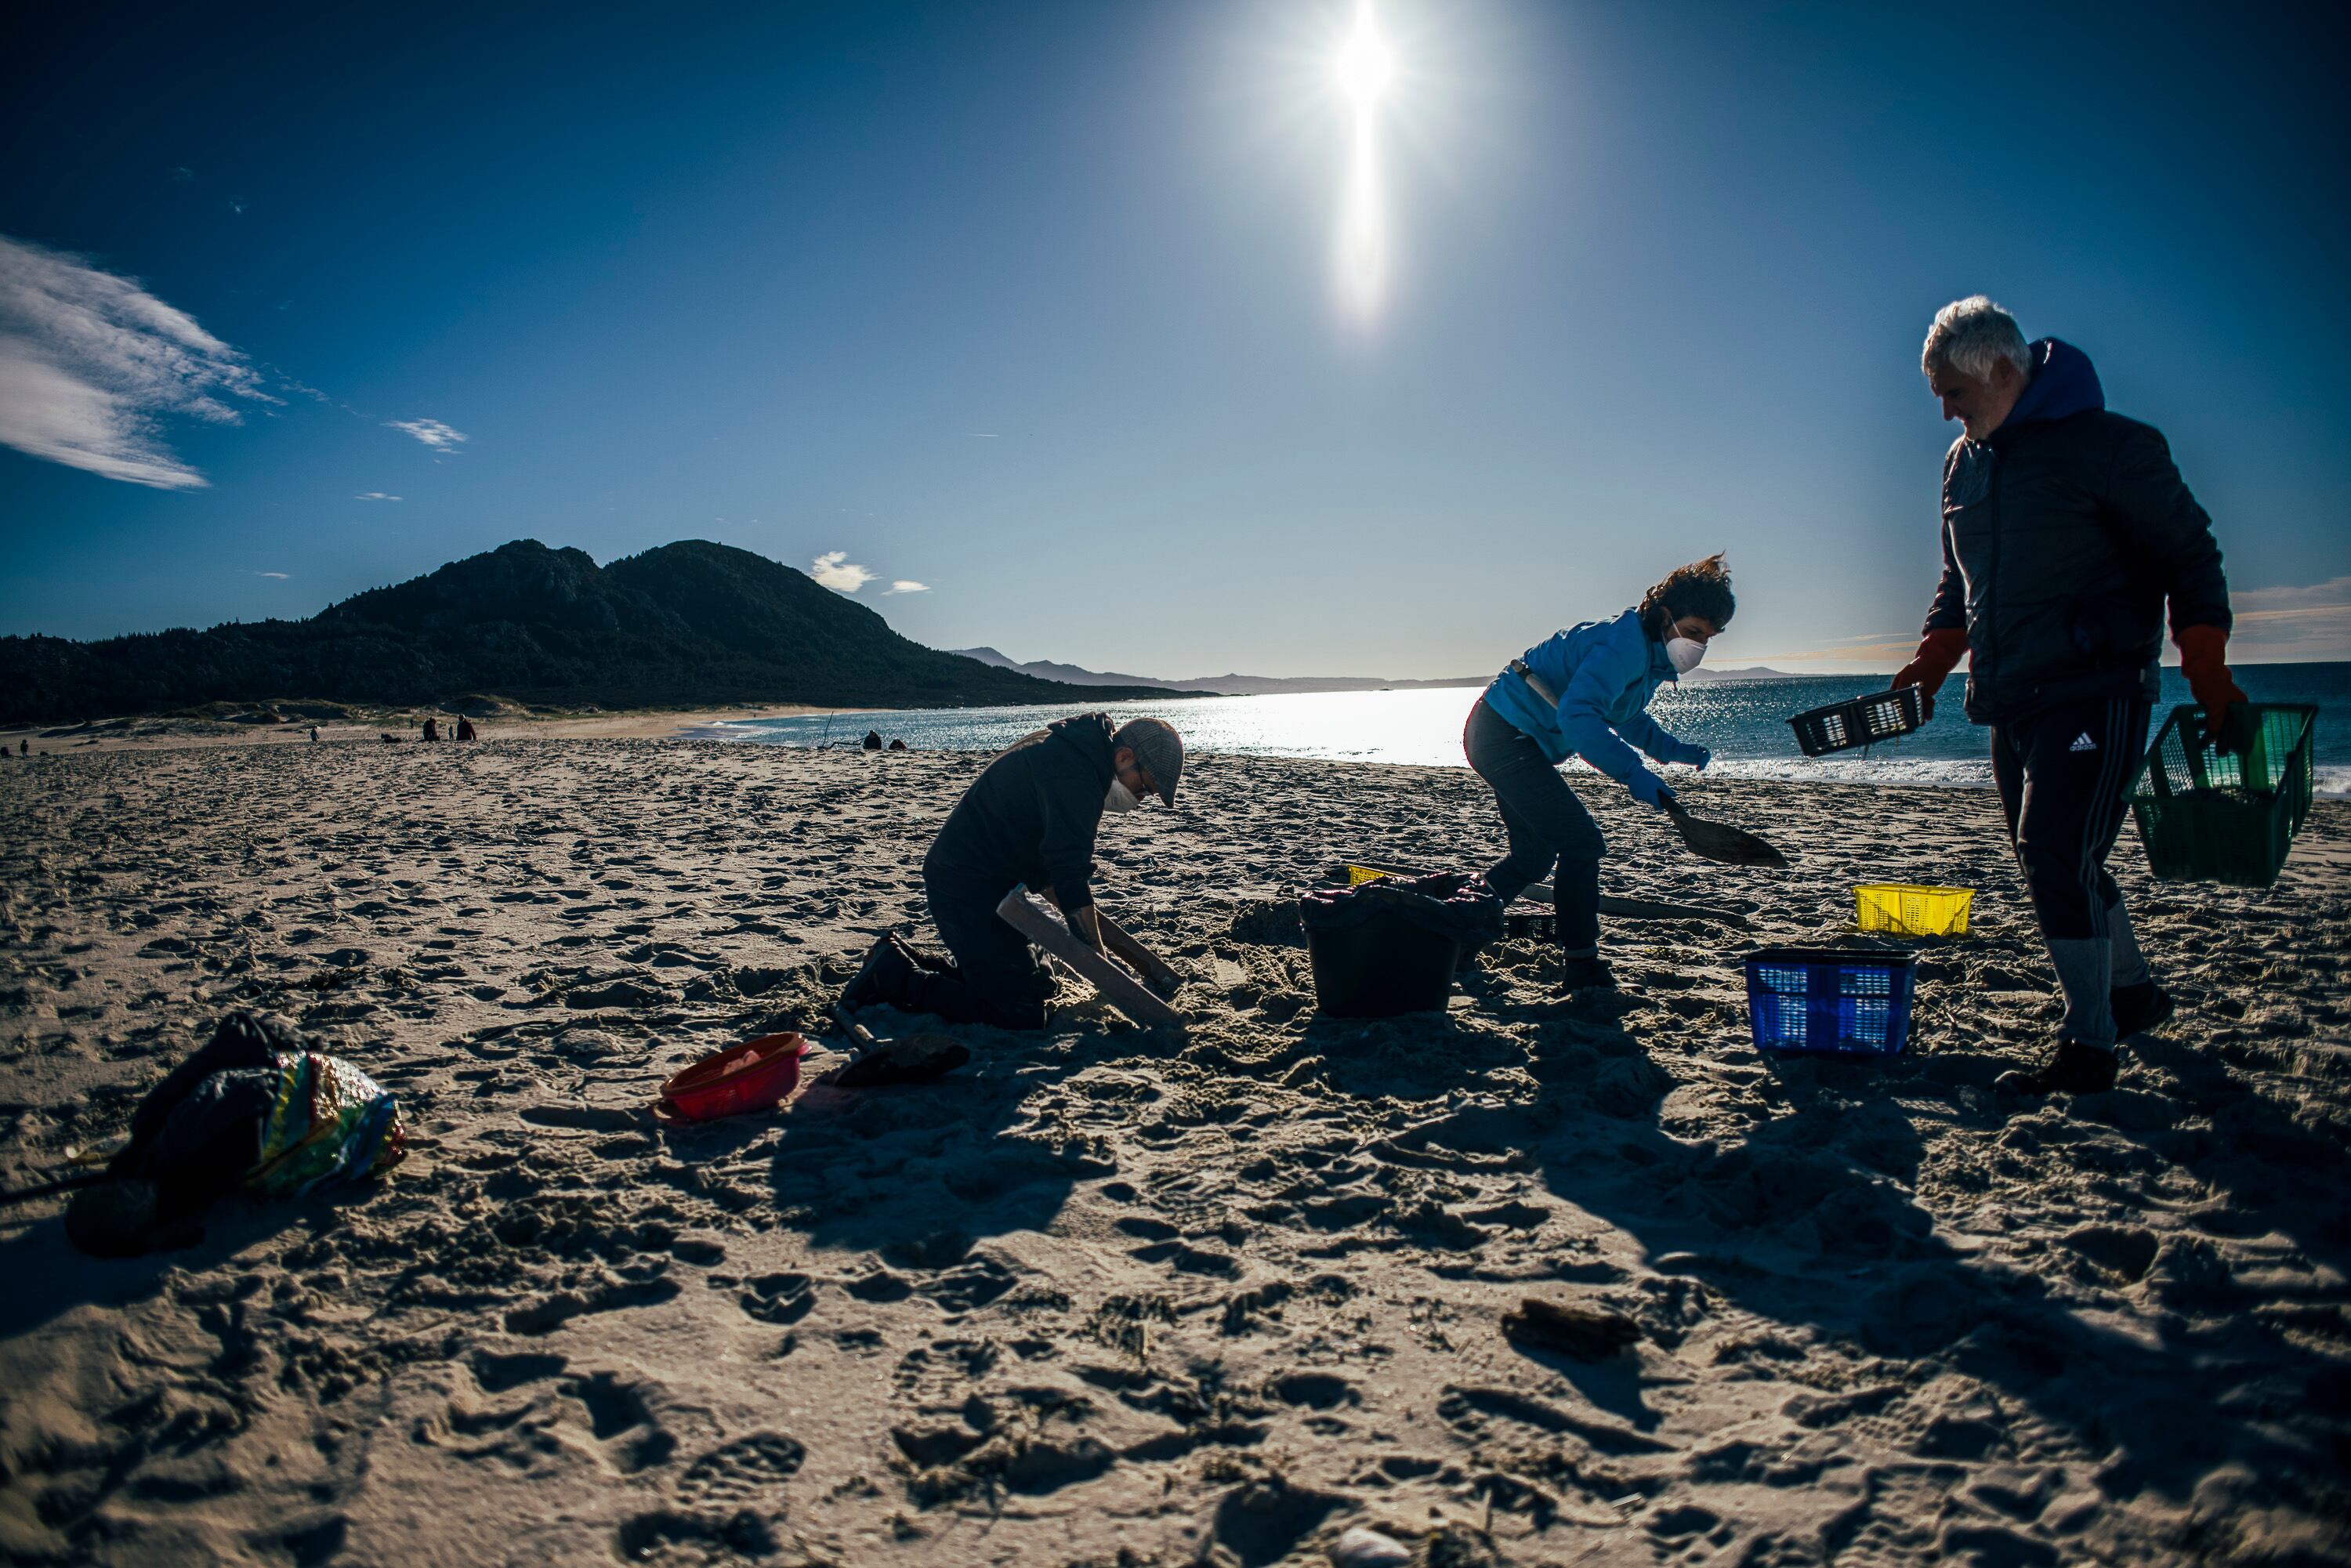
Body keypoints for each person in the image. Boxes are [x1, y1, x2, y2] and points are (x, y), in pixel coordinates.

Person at [1890, 297, 2247, 1097]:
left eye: (1953, 391)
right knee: (2053, 854)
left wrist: (2209, 669)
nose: (1944, 410)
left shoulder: (2114, 450)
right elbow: (1959, 583)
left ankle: (2091, 1045)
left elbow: (2191, 558)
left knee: (2055, 850)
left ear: (2005, 371)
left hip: (2098, 686)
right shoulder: (1962, 466)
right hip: (2008, 694)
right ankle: (2133, 993)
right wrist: (1933, 660)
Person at [1468, 556, 1730, 993]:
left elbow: (1623, 716)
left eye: (1709, 637)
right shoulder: (1621, 646)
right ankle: (1583, 965)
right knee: (1581, 843)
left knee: (1533, 857)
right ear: (1666, 615)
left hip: (1509, 737)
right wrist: (1633, 773)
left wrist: (1670, 749)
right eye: (1695, 631)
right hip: (1504, 734)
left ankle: (1458, 929)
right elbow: (1579, 719)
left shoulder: (1647, 656)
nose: (1700, 644)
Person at [840, 714, 1185, 1030]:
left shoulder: (1077, 751)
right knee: (1019, 1011)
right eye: (1144, 789)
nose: (1140, 800)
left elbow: (1055, 879)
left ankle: (899, 956)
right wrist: (1104, 970)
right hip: (964, 887)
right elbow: (1069, 879)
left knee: (1038, 983)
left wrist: (1138, 962)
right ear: (1124, 757)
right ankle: (892, 974)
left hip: (999, 886)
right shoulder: (1074, 775)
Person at [64, 1012, 408, 1257]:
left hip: (327, 1100)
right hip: (330, 1096)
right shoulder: (162, 1137)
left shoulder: (164, 1138)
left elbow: (238, 1100)